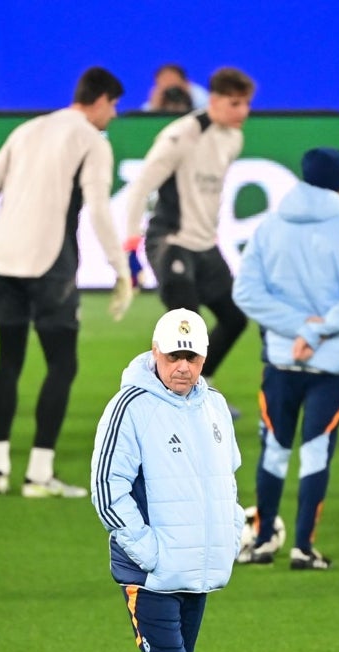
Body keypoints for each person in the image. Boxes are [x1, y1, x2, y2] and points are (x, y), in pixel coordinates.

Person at [91, 308, 243, 652]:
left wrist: (232, 535)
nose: (182, 366)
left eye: (192, 355)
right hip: (149, 574)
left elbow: (229, 481)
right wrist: (148, 551)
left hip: (198, 572)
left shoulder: (216, 407)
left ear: (203, 357)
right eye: (173, 355)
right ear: (155, 352)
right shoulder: (129, 406)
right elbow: (106, 491)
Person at [0, 67, 135, 498]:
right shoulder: (92, 140)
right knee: (62, 364)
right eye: (114, 106)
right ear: (102, 100)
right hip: (51, 263)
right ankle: (38, 474)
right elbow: (98, 208)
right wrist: (121, 268)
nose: (113, 115)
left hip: (5, 259)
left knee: (8, 361)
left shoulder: (28, 129)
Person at [232, 147, 339, 568]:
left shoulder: (270, 226)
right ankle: (302, 548)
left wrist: (296, 326)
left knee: (274, 449)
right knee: (316, 450)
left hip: (280, 356)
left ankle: (262, 543)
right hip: (332, 360)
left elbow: (245, 293)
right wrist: (315, 329)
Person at [122, 68, 256, 415]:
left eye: (247, 104)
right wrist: (130, 246)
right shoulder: (181, 136)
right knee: (187, 329)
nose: (244, 112)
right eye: (235, 103)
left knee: (235, 319)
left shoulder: (233, 138)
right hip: (171, 240)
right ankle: (159, 398)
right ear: (213, 101)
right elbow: (140, 188)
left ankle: (200, 384)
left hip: (204, 244)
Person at [142, 63, 210, 112]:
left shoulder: (197, 93)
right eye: (165, 81)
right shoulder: (155, 98)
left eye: (172, 80)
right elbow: (142, 119)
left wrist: (188, 97)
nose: (169, 84)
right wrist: (155, 107)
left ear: (185, 82)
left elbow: (207, 111)